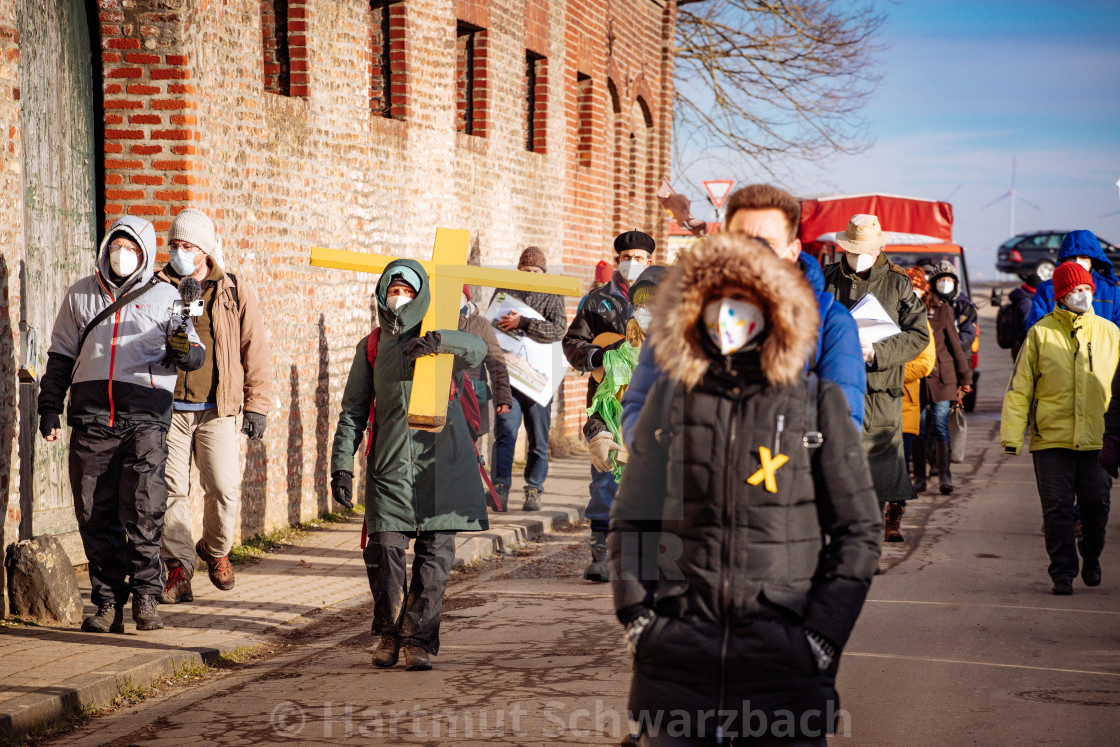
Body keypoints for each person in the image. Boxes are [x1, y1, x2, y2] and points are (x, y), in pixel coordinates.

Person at [609, 234, 882, 745]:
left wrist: (820, 637)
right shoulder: (671, 398)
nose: (731, 315)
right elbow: (635, 518)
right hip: (677, 668)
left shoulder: (815, 404)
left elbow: (858, 530)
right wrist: (642, 618)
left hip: (784, 669)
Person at [37, 216, 205, 633]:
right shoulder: (80, 295)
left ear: (144, 253)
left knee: (144, 507)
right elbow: (60, 355)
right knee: (94, 511)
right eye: (116, 245)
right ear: (106, 248)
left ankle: (146, 596)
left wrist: (182, 349)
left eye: (130, 247)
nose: (122, 254)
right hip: (92, 416)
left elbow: (194, 353)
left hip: (146, 417)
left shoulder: (168, 296)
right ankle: (107, 602)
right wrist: (49, 406)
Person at [330, 259, 489, 670]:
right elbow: (352, 411)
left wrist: (439, 342)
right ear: (383, 295)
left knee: (435, 558)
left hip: (442, 465)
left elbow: (479, 350)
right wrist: (341, 464)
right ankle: (388, 633)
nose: (399, 297)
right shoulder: (372, 345)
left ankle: (418, 640)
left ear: (421, 297)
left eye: (408, 291)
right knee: (384, 551)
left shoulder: (441, 336)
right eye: (393, 289)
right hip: (389, 467)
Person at [621, 184, 866, 448]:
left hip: (783, 480)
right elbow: (641, 401)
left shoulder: (828, 320)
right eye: (742, 240)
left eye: (768, 243)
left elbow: (842, 424)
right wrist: (663, 459)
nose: (752, 254)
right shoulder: (684, 312)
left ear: (792, 252)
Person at [157, 209, 273, 605]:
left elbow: (253, 349)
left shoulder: (232, 289)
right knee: (171, 490)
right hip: (169, 409)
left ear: (204, 250)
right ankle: (178, 569)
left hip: (217, 409)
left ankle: (216, 549)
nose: (179, 253)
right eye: (173, 246)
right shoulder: (158, 287)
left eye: (187, 246)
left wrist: (257, 405)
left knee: (224, 487)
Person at [1002, 262, 1119, 595]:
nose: (1081, 296)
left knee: (1097, 505)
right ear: (1061, 296)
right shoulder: (1040, 333)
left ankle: (1092, 555)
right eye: (1073, 291)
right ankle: (1062, 572)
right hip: (1051, 438)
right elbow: (1020, 387)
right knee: (1056, 508)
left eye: (1086, 290)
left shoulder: (1111, 333)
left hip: (1097, 438)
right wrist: (1013, 435)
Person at [823, 214, 930, 524]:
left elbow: (919, 334)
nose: (857, 257)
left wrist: (877, 352)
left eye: (864, 250)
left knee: (877, 475)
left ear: (877, 248)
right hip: (835, 387)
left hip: (880, 393)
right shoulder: (828, 278)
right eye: (852, 250)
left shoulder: (898, 282)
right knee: (836, 468)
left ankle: (869, 545)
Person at [563, 230, 655, 577]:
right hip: (606, 403)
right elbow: (573, 340)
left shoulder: (665, 296)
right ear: (618, 260)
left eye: (639, 258)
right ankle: (600, 551)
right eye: (626, 256)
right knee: (604, 474)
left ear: (650, 262)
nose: (632, 263)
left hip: (649, 401)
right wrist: (596, 356)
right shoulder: (597, 300)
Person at [583, 265, 665, 582]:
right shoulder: (619, 357)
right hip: (631, 460)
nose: (646, 311)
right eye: (640, 304)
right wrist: (599, 433)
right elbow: (603, 402)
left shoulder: (697, 356)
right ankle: (603, 552)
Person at [490, 247, 569, 511]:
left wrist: (523, 322)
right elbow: (492, 325)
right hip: (508, 379)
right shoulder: (506, 293)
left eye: (536, 271)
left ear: (543, 273)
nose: (531, 275)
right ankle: (499, 488)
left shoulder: (553, 294)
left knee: (538, 438)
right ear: (519, 271)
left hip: (538, 380)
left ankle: (534, 489)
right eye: (526, 271)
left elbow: (558, 330)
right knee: (505, 432)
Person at [923, 262, 973, 496]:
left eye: (949, 280)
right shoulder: (913, 308)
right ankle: (920, 476)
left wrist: (965, 378)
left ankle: (945, 476)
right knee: (920, 428)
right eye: (940, 280)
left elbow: (955, 345)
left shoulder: (946, 309)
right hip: (918, 378)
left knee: (940, 423)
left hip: (944, 378)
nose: (944, 284)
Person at [1026, 230, 1120, 328]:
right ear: (1064, 260)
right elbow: (1036, 327)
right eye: (1072, 257)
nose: (1077, 261)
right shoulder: (1047, 289)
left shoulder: (1111, 290)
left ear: (1093, 261)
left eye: (1083, 257)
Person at [458, 284, 512, 452]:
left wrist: (502, 396)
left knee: (468, 451)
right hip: (441, 397)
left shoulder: (480, 324)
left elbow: (496, 360)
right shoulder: (432, 320)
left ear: (465, 297)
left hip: (473, 395)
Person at [901, 268, 936, 513]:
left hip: (905, 402)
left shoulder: (920, 321)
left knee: (900, 464)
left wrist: (892, 370)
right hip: (870, 402)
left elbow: (926, 362)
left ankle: (894, 516)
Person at [1004, 274, 1041, 360]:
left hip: (1019, 344)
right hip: (1024, 345)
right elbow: (1027, 325)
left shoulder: (1021, 297)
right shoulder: (1026, 302)